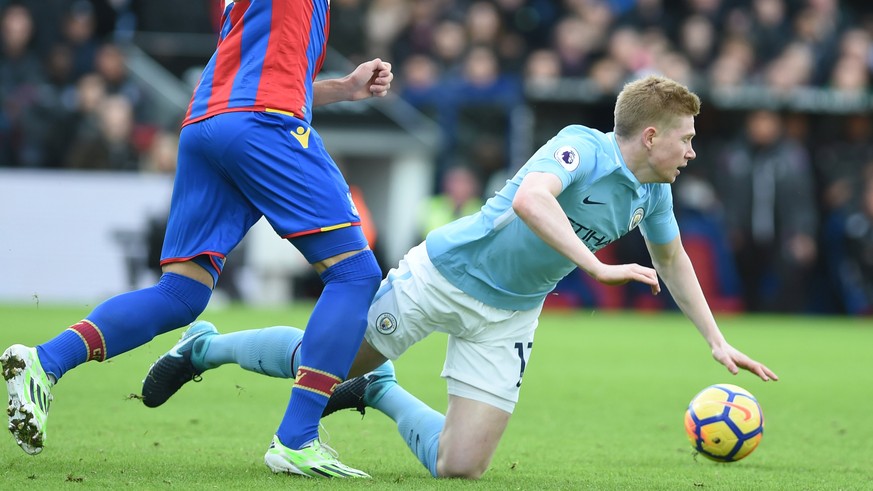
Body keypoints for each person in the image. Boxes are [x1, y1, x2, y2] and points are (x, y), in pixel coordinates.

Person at [140, 75, 778, 479]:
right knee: (319, 360)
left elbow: (673, 260)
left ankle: (381, 394)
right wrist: (595, 267)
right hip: (444, 274)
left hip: (508, 315)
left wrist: (715, 340)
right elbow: (532, 199)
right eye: (686, 139)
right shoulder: (580, 146)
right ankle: (206, 346)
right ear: (649, 135)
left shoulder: (653, 191)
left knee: (461, 468)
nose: (692, 151)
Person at [2, 0, 393, 479]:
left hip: (208, 122)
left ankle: (44, 362)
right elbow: (268, 89)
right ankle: (297, 439)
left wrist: (344, 88)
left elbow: (266, 76)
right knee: (354, 273)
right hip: (262, 123)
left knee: (181, 293)